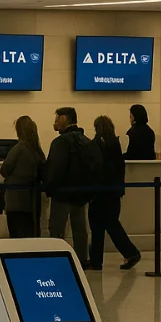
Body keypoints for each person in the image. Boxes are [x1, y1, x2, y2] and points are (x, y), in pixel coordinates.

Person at [45, 107, 97, 265]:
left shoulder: (60, 142)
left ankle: (55, 257)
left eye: (56, 119)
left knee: (57, 228)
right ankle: (82, 258)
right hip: (81, 194)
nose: (54, 123)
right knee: (80, 229)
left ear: (63, 119)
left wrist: (49, 188)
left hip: (63, 193)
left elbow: (55, 168)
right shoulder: (86, 141)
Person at [88, 116, 141, 271]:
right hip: (113, 191)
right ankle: (126, 254)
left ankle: (126, 253)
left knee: (100, 226)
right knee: (111, 224)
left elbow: (96, 167)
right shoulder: (115, 144)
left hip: (100, 192)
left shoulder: (98, 144)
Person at [0, 115, 45, 238]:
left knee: (16, 235)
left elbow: (4, 170)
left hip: (15, 199)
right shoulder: (37, 151)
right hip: (32, 200)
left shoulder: (18, 148)